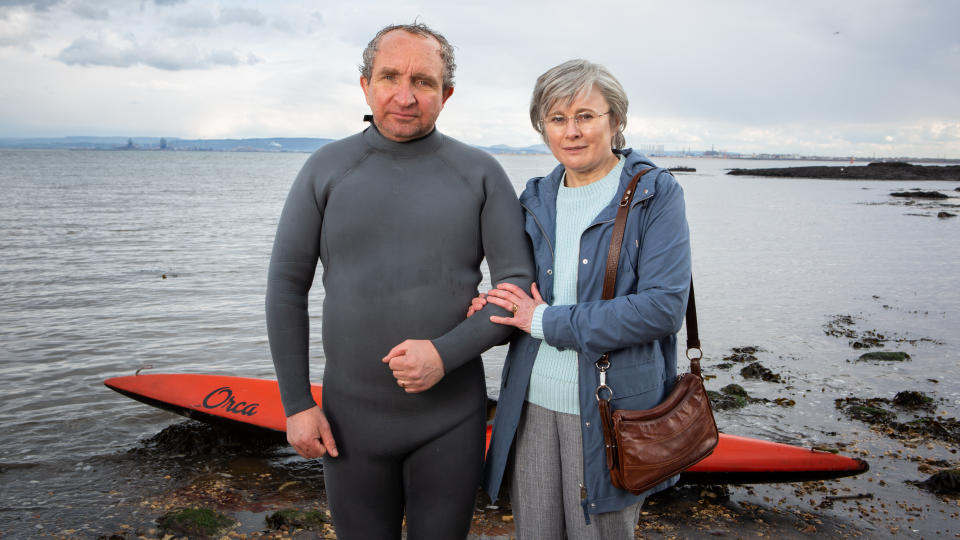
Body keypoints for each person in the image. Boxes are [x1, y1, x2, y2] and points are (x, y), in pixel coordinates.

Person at [265, 22, 534, 540]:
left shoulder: (479, 173)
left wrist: (444, 353)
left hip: (450, 420)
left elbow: (517, 288)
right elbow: (285, 287)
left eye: (424, 81)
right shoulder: (326, 169)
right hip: (349, 422)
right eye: (390, 76)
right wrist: (297, 404)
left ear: (447, 94)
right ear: (365, 84)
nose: (405, 96)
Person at [473, 59, 692, 539]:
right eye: (557, 119)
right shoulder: (533, 199)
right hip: (530, 402)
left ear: (615, 120)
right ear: (543, 127)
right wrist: (492, 304)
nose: (571, 132)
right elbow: (521, 292)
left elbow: (663, 309)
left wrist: (545, 321)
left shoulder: (656, 193)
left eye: (586, 116)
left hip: (610, 411)